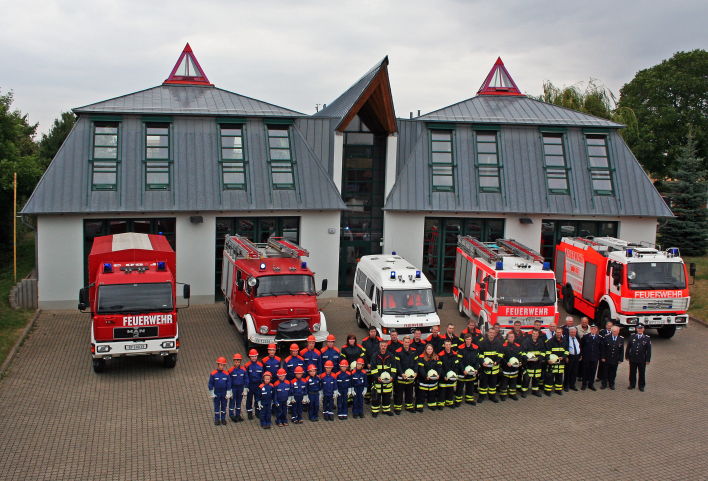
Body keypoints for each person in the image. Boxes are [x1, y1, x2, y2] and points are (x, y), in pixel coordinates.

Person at [370, 340, 396, 417]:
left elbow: (394, 367)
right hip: (377, 381)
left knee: (387, 397)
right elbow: (373, 368)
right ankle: (375, 411)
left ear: (387, 347)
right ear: (379, 346)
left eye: (385, 346)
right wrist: (377, 377)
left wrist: (392, 376)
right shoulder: (375, 356)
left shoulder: (391, 356)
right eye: (382, 346)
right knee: (376, 397)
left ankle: (386, 410)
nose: (383, 347)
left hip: (388, 381)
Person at [477, 328, 503, 403]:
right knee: (483, 383)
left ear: (495, 334)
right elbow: (480, 355)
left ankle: (492, 396)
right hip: (485, 368)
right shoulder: (483, 343)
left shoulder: (498, 342)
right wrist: (482, 363)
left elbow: (500, 354)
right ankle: (481, 397)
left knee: (493, 384)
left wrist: (496, 362)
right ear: (488, 333)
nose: (492, 334)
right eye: (491, 332)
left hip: (494, 368)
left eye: (493, 333)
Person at [394, 336, 418, 414]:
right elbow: (398, 364)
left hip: (410, 377)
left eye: (408, 342)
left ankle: (409, 406)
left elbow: (416, 363)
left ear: (410, 342)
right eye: (405, 342)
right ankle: (397, 408)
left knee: (409, 392)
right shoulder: (398, 352)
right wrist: (402, 373)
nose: (407, 344)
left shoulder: (414, 351)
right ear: (402, 342)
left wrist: (416, 372)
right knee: (399, 393)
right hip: (401, 377)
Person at [625, 323, 651, 392]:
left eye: (641, 328)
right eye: (639, 328)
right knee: (632, 372)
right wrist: (627, 356)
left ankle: (641, 386)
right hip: (633, 358)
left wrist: (648, 359)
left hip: (642, 359)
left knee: (642, 373)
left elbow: (648, 350)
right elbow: (628, 347)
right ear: (637, 329)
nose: (640, 330)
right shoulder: (632, 337)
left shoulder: (647, 338)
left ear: (643, 329)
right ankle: (632, 384)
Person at [520, 329, 546, 397]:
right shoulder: (526, 342)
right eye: (534, 333)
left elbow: (543, 352)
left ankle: (535, 391)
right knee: (526, 378)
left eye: (536, 334)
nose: (535, 335)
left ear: (538, 335)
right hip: (529, 364)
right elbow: (522, 352)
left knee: (536, 378)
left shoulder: (540, 342)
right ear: (532, 334)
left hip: (537, 364)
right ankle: (524, 391)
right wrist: (526, 358)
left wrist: (539, 358)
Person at [416, 343, 442, 411]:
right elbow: (421, 369)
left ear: (433, 350)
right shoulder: (421, 358)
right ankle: (419, 406)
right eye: (428, 349)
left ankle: (432, 405)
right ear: (426, 350)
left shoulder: (436, 357)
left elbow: (439, 367)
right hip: (424, 380)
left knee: (432, 393)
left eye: (431, 349)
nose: (430, 350)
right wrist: (425, 376)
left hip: (433, 379)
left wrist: (438, 374)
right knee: (421, 394)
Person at [499, 331, 523, 401]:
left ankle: (512, 394)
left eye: (512, 337)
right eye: (510, 337)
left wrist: (520, 361)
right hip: (506, 367)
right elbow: (501, 357)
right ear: (507, 338)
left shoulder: (517, 346)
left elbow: (520, 355)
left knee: (513, 382)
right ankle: (503, 395)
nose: (511, 338)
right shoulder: (503, 346)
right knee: (504, 383)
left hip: (514, 368)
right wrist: (506, 363)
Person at [456, 333, 479, 405]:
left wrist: (476, 369)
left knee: (470, 386)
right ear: (465, 340)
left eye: (470, 339)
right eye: (467, 339)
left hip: (471, 370)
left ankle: (469, 400)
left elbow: (477, 360)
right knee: (460, 387)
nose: (468, 341)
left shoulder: (475, 348)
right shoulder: (460, 348)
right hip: (462, 371)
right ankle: (458, 401)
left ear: (471, 340)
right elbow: (459, 361)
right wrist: (463, 370)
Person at [361, 326, 382, 404]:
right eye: (371, 332)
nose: (373, 333)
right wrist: (367, 363)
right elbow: (363, 354)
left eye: (374, 331)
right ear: (369, 332)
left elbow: (381, 353)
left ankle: (375, 397)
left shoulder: (380, 341)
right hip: (368, 366)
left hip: (377, 366)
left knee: (376, 382)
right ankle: (367, 398)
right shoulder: (365, 341)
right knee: (368, 382)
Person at [545, 327, 569, 396]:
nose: (559, 334)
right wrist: (548, 359)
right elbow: (547, 352)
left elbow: (567, 351)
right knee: (550, 377)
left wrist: (563, 357)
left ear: (562, 333)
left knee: (559, 377)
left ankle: (558, 390)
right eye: (557, 332)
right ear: (555, 332)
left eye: (560, 332)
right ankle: (548, 391)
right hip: (552, 363)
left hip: (561, 363)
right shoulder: (551, 341)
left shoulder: (564, 341)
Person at [437, 339, 460, 409]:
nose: (448, 346)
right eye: (446, 345)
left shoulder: (455, 355)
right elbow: (440, 367)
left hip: (451, 376)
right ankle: (441, 404)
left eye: (449, 345)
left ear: (451, 345)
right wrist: (443, 376)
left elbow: (457, 366)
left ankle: (450, 403)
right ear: (444, 345)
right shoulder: (440, 355)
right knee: (442, 391)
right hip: (443, 377)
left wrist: (455, 374)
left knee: (450, 390)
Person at [209, 357, 231, 425]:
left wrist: (228, 392)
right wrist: (212, 393)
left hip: (224, 392)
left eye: (223, 365)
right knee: (217, 406)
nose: (222, 366)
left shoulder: (227, 374)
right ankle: (217, 419)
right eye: (221, 365)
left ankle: (223, 419)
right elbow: (210, 383)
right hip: (217, 392)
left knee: (224, 405)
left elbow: (229, 383)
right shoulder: (213, 374)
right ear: (217, 365)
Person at [600, 325, 624, 390]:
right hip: (607, 358)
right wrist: (602, 357)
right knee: (605, 372)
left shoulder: (621, 339)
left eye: (615, 331)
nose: (614, 333)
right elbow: (603, 349)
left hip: (615, 359)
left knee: (613, 373)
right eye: (613, 331)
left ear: (618, 332)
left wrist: (620, 359)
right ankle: (604, 384)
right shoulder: (606, 338)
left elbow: (621, 350)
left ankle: (611, 384)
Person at [580, 324, 602, 391]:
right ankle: (584, 384)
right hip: (586, 357)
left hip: (594, 358)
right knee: (585, 371)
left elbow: (600, 348)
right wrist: (582, 355)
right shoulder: (585, 337)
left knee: (592, 371)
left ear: (597, 329)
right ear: (590, 329)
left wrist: (599, 356)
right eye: (592, 328)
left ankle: (591, 384)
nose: (593, 330)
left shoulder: (599, 338)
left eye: (594, 328)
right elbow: (581, 346)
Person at [245, 349, 264, 420]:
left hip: (258, 385)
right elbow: (246, 376)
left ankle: (257, 411)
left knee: (258, 398)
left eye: (255, 356)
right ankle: (249, 413)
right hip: (250, 385)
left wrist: (262, 385)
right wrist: (246, 387)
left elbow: (263, 376)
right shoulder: (247, 365)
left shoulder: (260, 365)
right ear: (250, 357)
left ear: (257, 356)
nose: (254, 358)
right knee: (249, 399)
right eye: (252, 356)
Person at [227, 353, 247, 422]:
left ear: (240, 362)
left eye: (238, 362)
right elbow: (229, 381)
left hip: (240, 388)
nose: (237, 363)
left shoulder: (243, 370)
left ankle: (238, 414)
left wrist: (245, 388)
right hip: (234, 388)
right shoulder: (230, 370)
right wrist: (229, 390)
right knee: (232, 401)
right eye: (236, 362)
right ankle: (231, 415)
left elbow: (246, 379)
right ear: (233, 362)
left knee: (239, 402)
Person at [564, 327, 581, 392]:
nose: (573, 333)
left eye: (574, 332)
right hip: (569, 357)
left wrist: (580, 355)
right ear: (569, 332)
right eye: (572, 332)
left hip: (576, 356)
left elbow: (580, 346)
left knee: (574, 371)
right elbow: (565, 348)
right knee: (568, 371)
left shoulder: (577, 338)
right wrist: (566, 357)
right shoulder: (566, 339)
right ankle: (566, 385)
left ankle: (572, 384)